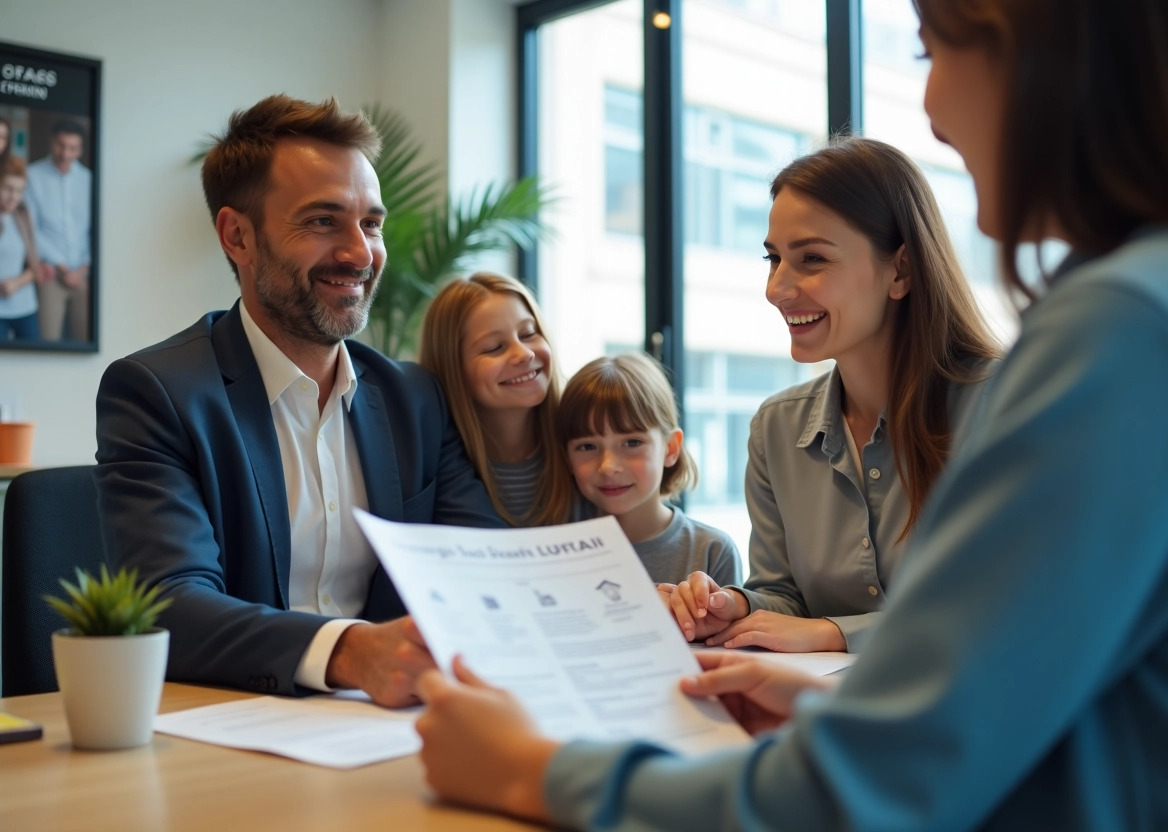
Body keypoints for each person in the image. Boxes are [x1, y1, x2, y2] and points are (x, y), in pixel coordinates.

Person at [412, 1, 1168, 828]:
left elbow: (872, 788)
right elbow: (1053, 707)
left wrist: (528, 770)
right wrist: (830, 700)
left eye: (929, 50)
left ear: (1036, 54)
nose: (932, 110)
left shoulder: (1125, 329)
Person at [94, 94, 503, 706]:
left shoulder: (411, 398)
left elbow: (483, 567)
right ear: (238, 236)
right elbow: (170, 605)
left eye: (371, 223)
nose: (360, 254)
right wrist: (351, 652)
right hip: (231, 734)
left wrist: (635, 606)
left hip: (396, 728)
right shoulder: (160, 394)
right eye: (321, 221)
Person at [664, 137, 1000, 653]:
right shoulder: (775, 428)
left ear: (901, 270)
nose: (777, 288)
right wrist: (735, 607)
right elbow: (785, 595)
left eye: (812, 259)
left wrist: (834, 633)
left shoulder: (1000, 405)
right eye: (774, 259)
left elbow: (1006, 602)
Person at [557, 353, 742, 587]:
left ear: (670, 447)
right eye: (587, 446)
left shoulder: (712, 552)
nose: (608, 467)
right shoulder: (554, 550)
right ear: (567, 457)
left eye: (632, 443)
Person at [418, 272, 578, 526]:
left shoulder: (584, 436)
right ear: (453, 369)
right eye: (494, 347)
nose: (523, 354)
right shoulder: (431, 466)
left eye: (528, 334)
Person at [24, 118, 91, 342]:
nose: (65, 153)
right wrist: (62, 267)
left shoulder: (88, 180)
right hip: (50, 272)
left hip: (84, 274)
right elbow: (31, 228)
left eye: (72, 148)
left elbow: (94, 230)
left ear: (80, 149)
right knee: (48, 339)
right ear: (52, 142)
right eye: (61, 145)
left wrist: (82, 268)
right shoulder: (32, 176)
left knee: (85, 340)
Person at [0, 156, 40, 340]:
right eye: (8, 189)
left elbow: (35, 267)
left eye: (19, 190)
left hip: (25, 308)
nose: (14, 196)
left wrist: (17, 282)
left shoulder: (23, 215)